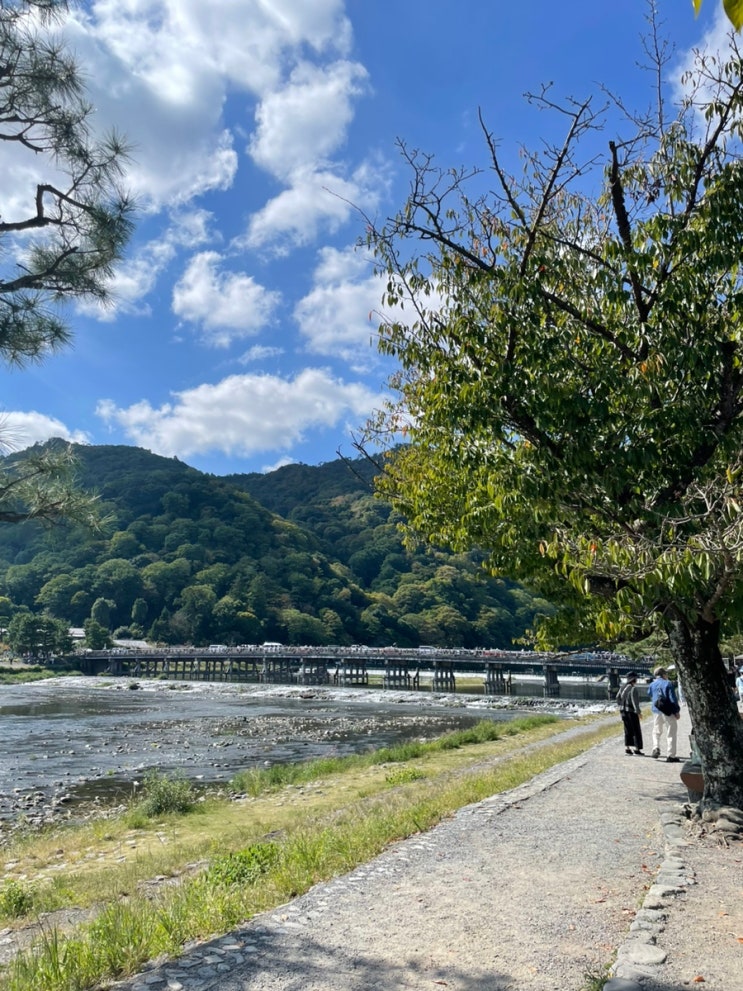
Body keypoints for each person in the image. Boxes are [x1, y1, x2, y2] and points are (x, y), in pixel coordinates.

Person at [648, 667, 681, 762]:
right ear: (663, 674)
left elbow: (649, 694)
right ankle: (671, 755)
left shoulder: (652, 684)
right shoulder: (668, 683)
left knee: (656, 731)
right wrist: (676, 711)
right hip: (668, 711)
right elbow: (673, 698)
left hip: (656, 710)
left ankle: (656, 747)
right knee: (671, 732)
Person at [616, 671, 643, 755]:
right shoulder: (633, 688)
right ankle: (637, 749)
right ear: (633, 679)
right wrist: (638, 712)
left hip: (623, 711)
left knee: (627, 729)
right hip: (631, 712)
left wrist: (621, 705)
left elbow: (617, 697)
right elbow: (635, 702)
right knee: (636, 730)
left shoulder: (622, 687)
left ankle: (627, 748)